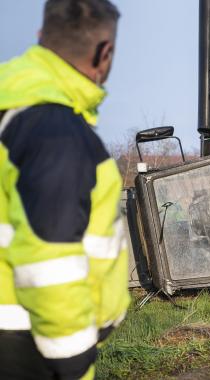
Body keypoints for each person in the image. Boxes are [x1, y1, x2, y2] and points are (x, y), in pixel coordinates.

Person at [0, 1, 129, 379]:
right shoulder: (55, 132)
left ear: (40, 39)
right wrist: (73, 358)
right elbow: (49, 254)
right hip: (31, 349)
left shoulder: (13, 109)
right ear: (105, 53)